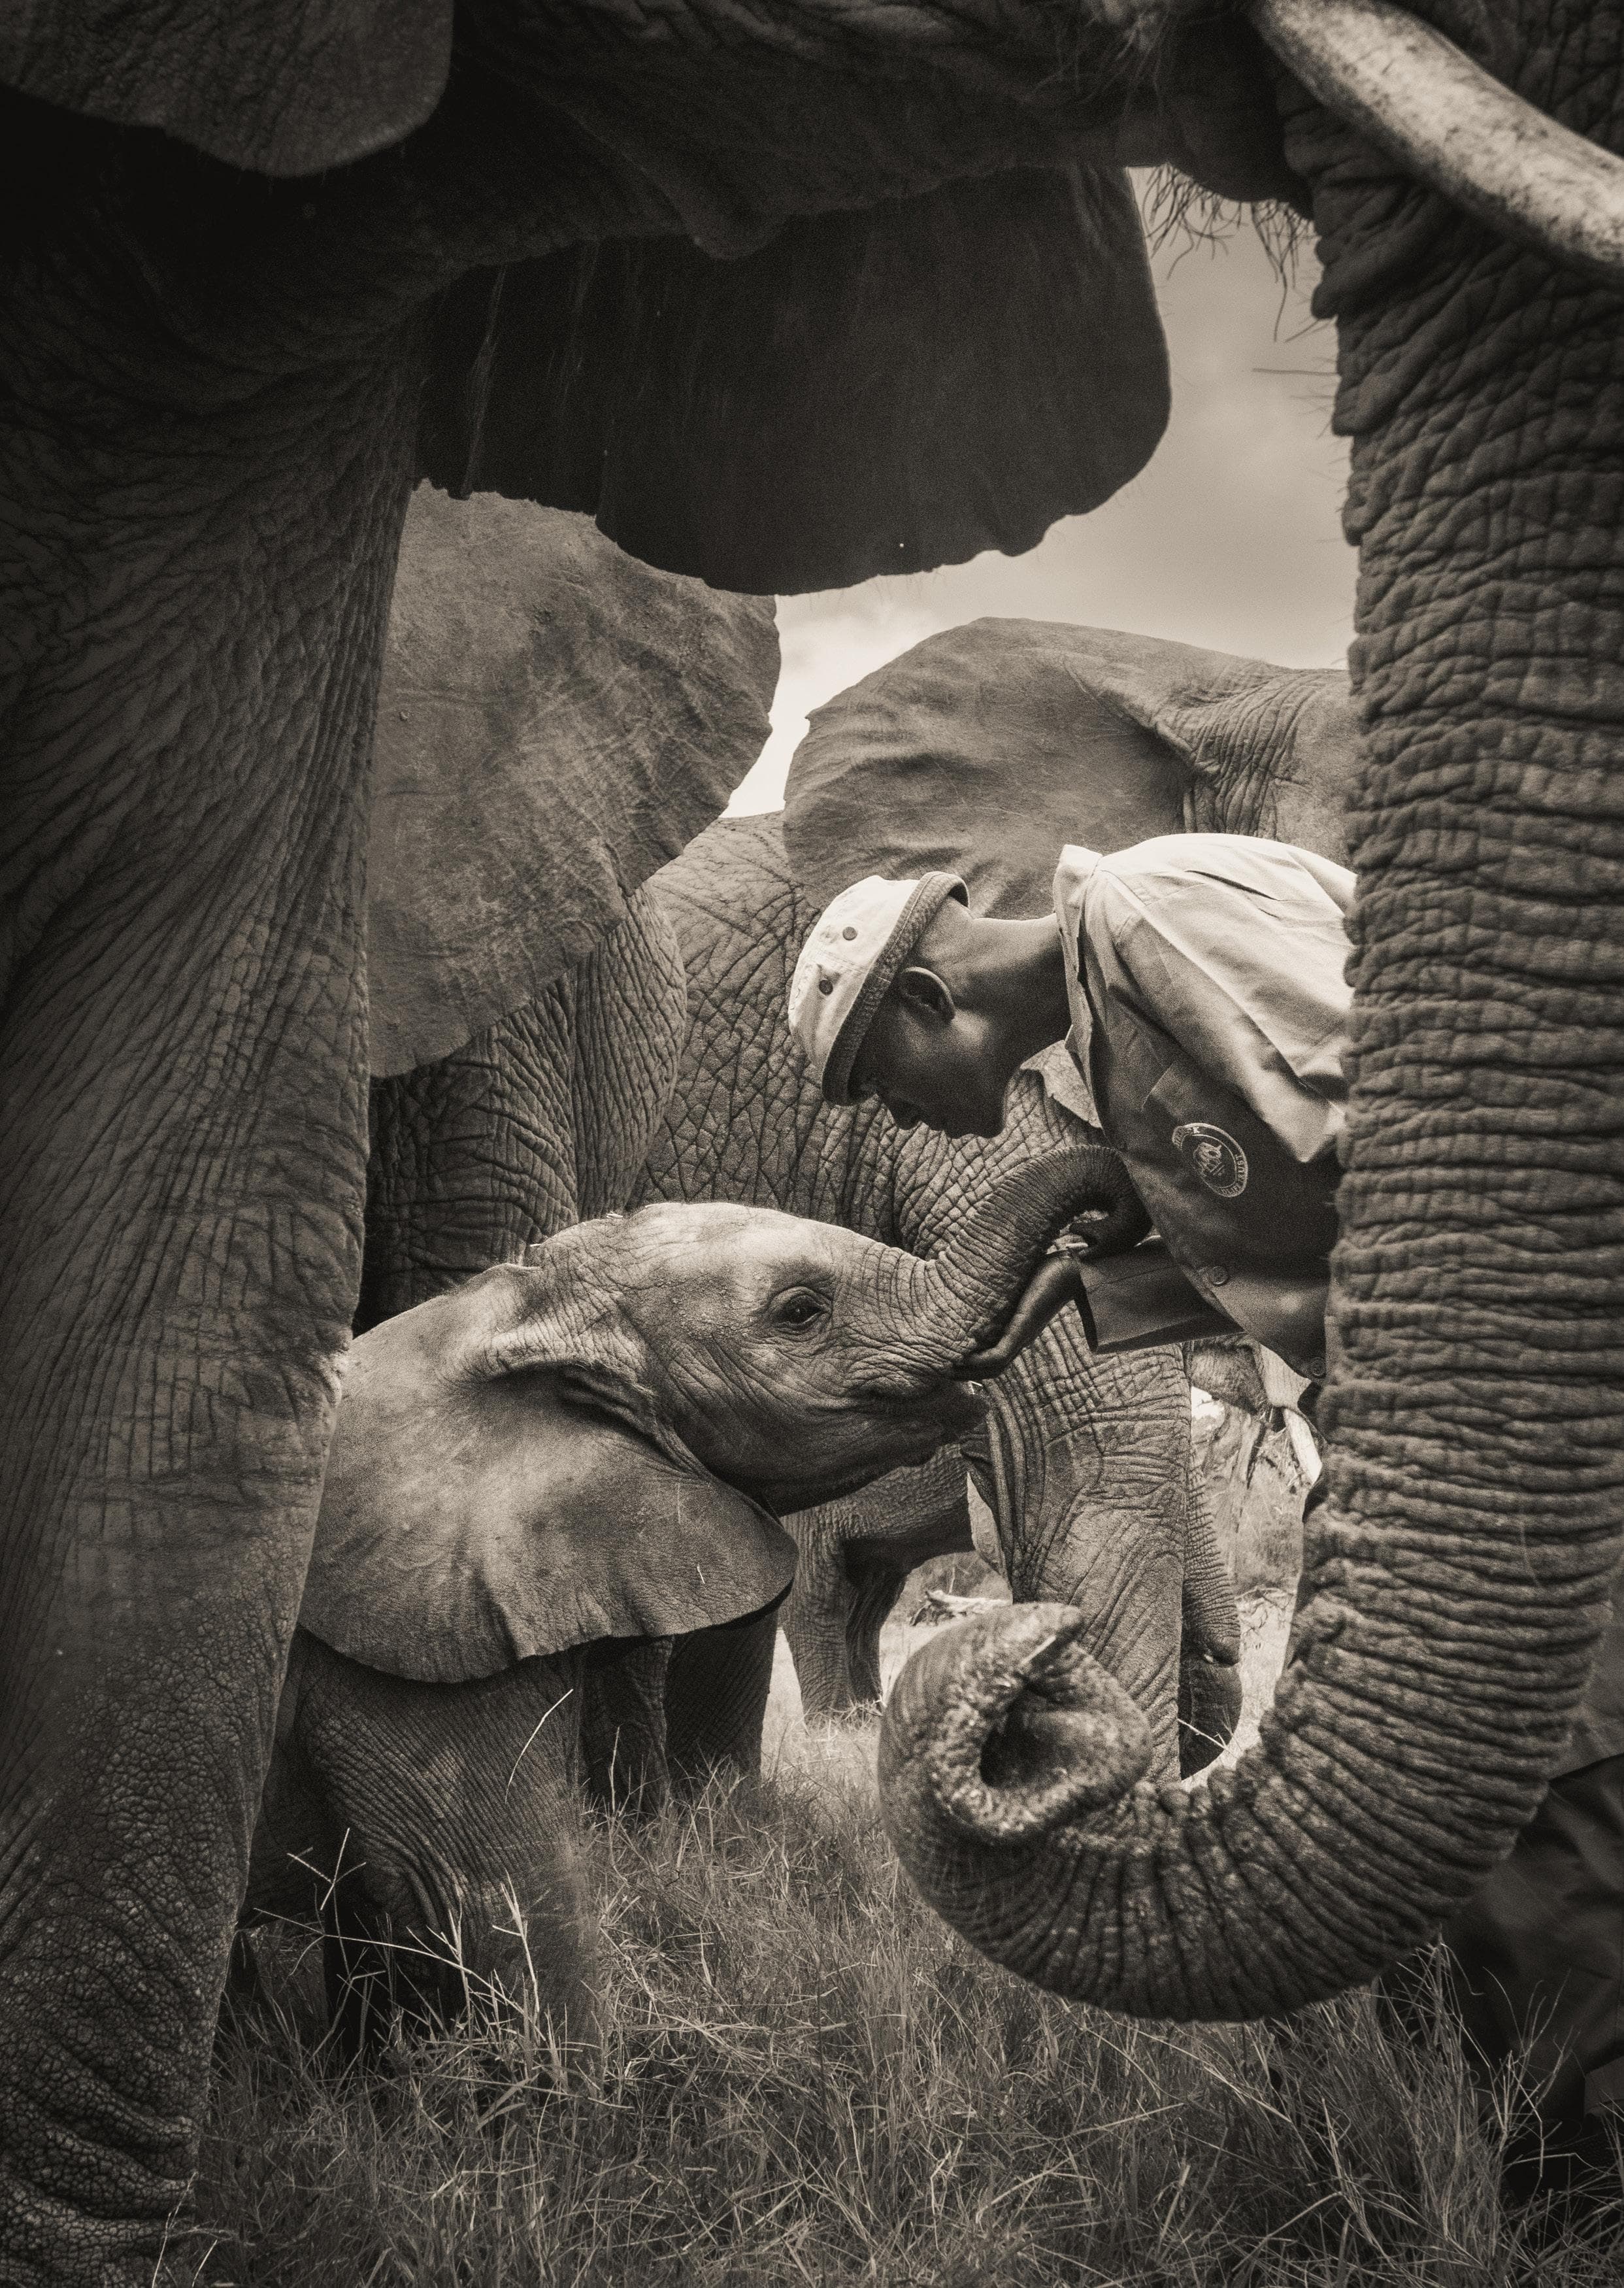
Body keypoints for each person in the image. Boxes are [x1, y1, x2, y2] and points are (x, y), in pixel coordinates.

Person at [786, 831, 1624, 2190]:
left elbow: (1428, 1144)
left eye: (874, 1083)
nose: (899, 1123)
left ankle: (1558, 2179)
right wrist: (1106, 1271)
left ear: (927, 1000)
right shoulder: (1109, 1040)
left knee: (1550, 1767)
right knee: (1471, 1784)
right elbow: (1308, 1210)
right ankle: (1472, 2147)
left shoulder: (1142, 917)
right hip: (1463, 1406)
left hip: (1529, 1396)